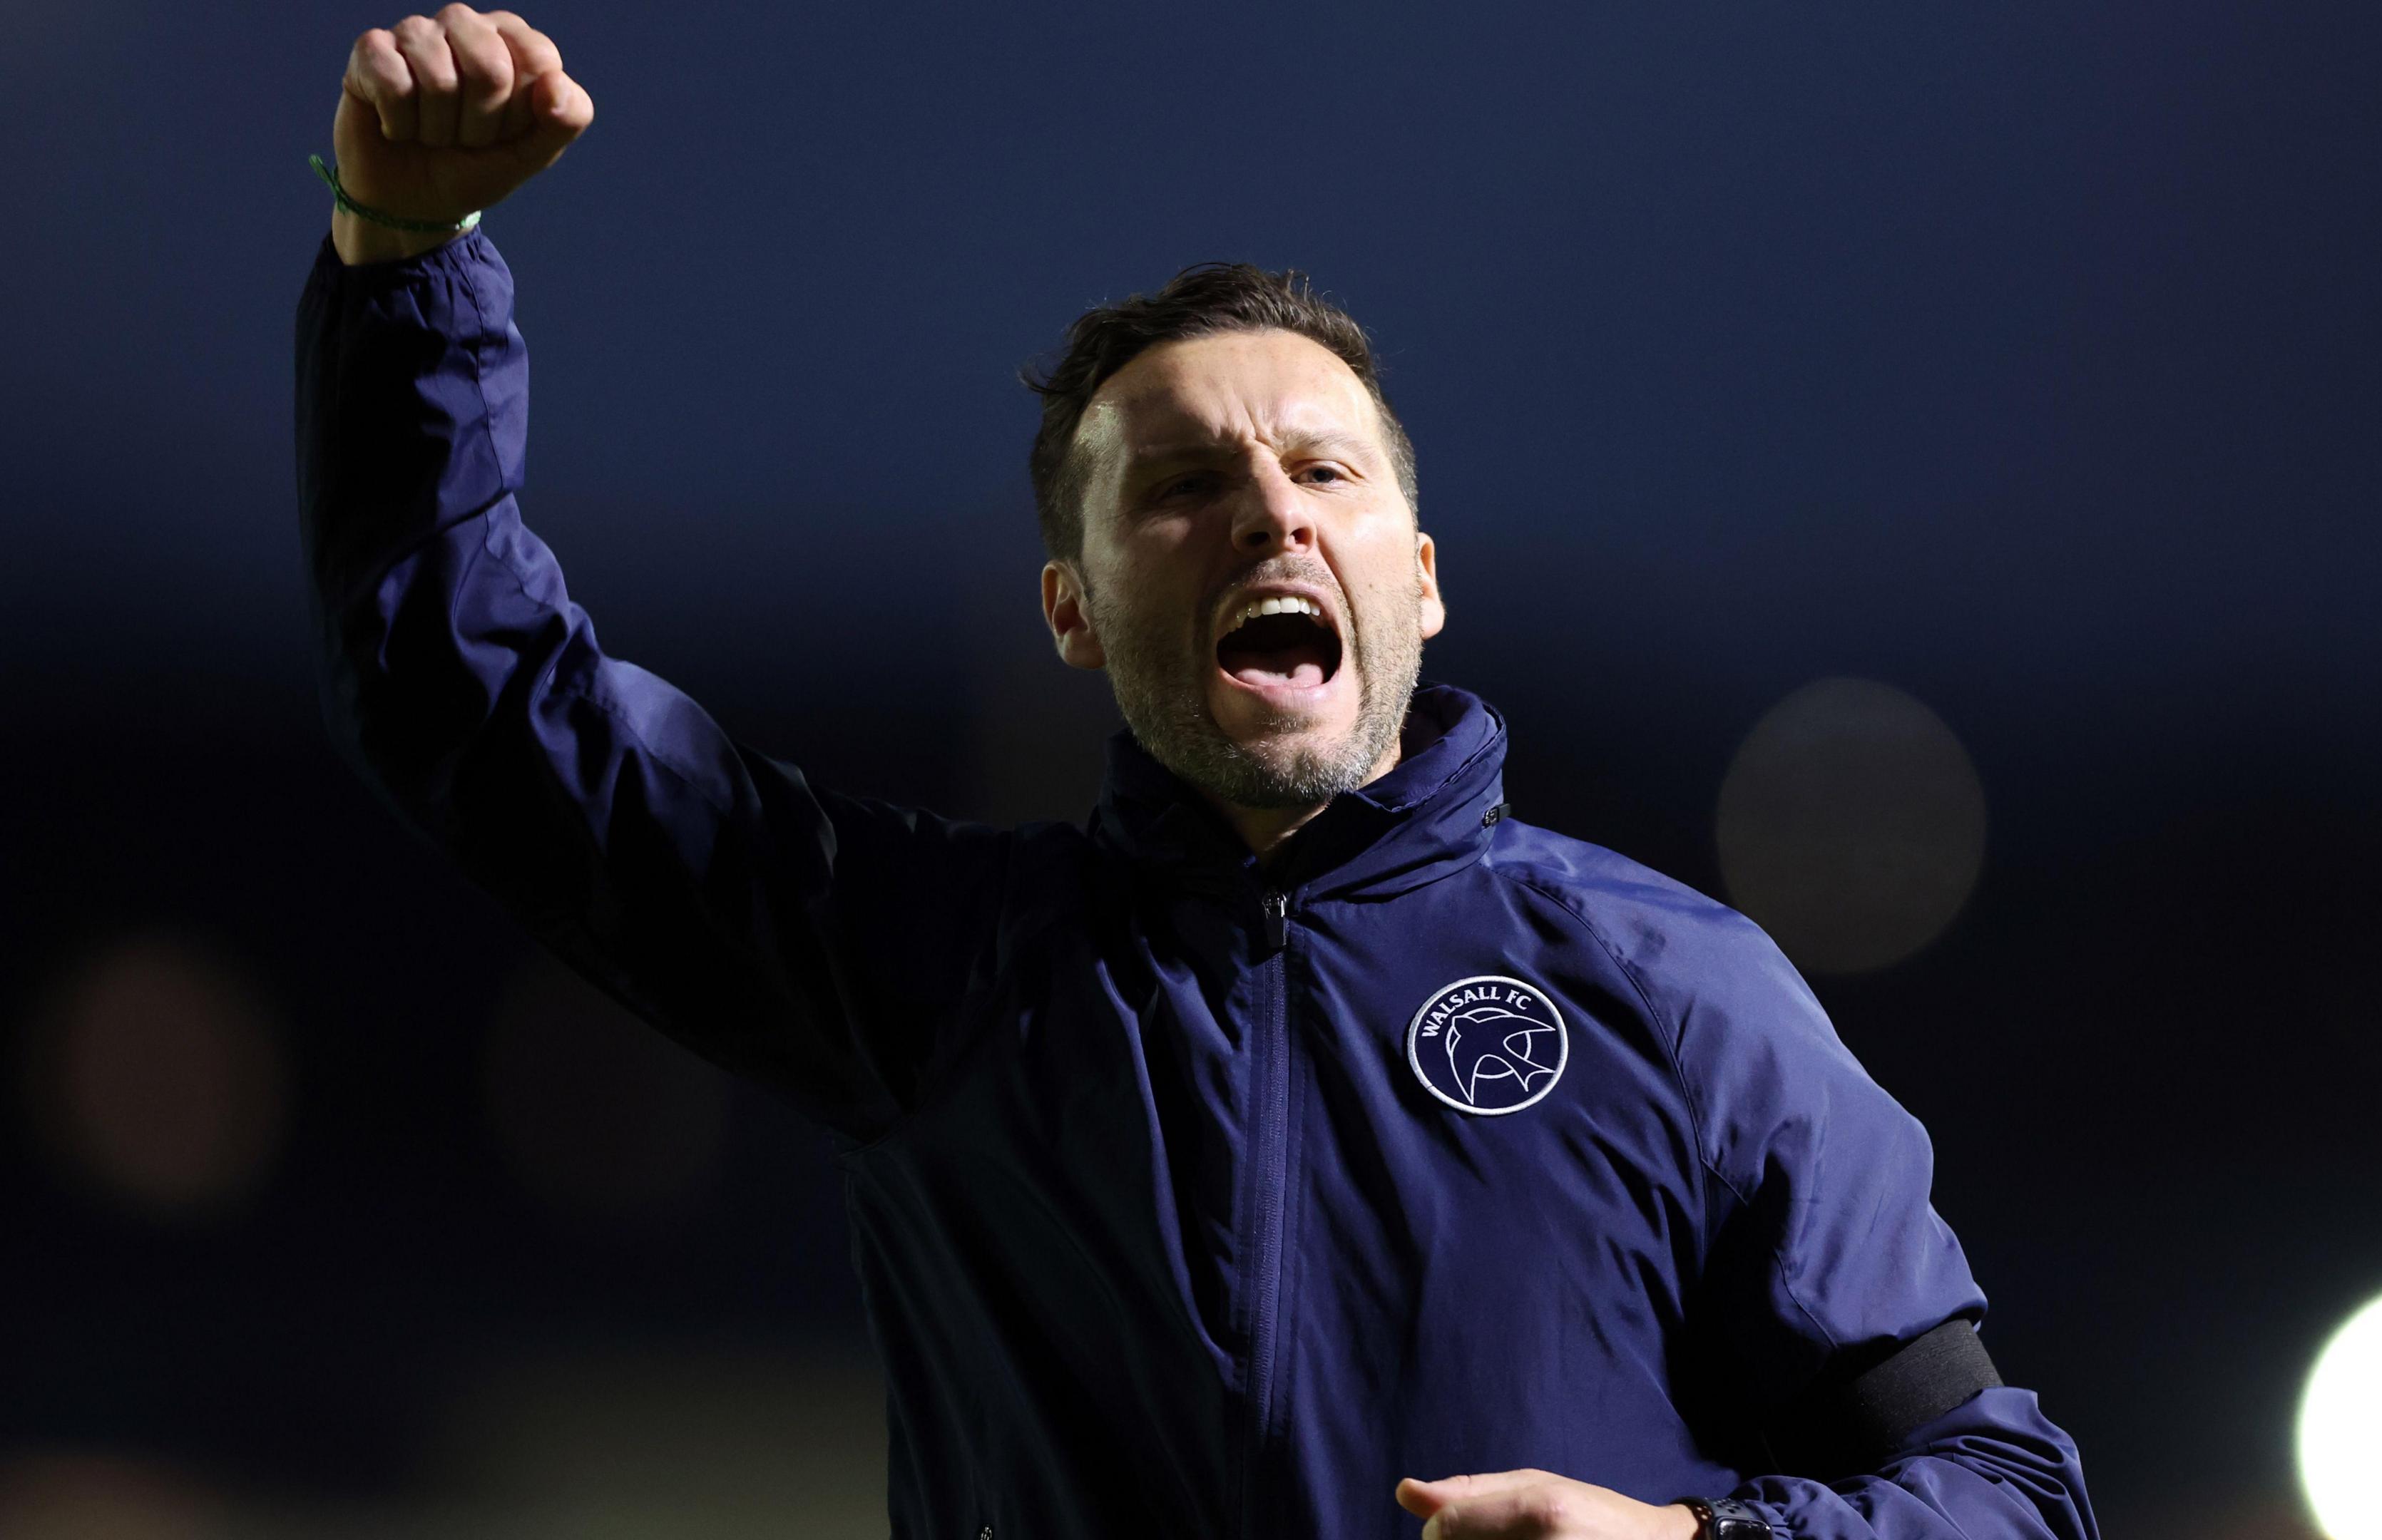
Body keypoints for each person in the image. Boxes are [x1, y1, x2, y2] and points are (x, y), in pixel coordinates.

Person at [295, 9, 2100, 1538]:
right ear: (1074, 612)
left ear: (1422, 575)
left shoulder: (1677, 989)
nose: (1264, 508)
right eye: (1182, 488)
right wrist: (405, 261)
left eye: (1324, 473)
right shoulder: (936, 970)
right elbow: (479, 706)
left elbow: (2009, 1490)